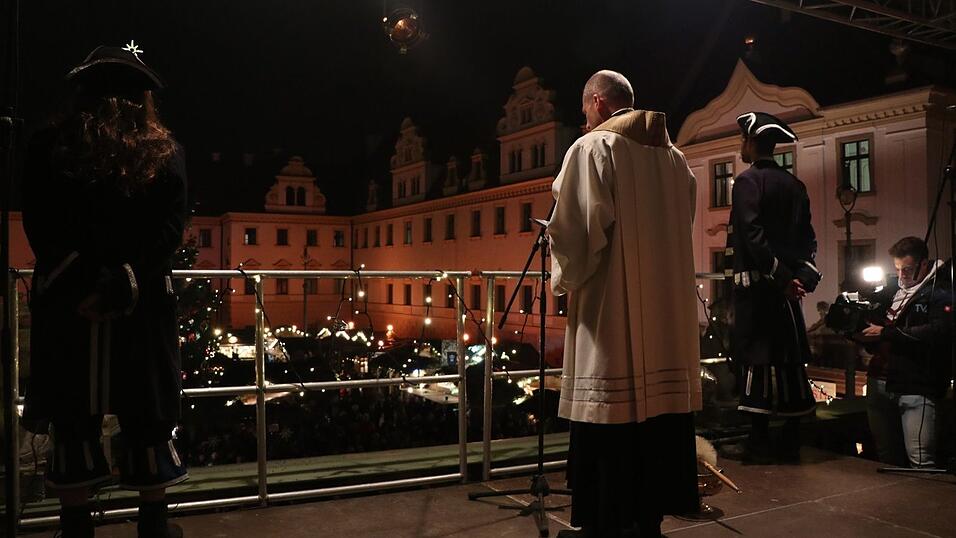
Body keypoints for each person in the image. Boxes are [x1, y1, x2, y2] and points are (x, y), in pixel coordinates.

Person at [21, 44, 188, 537]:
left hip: (70, 304)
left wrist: (81, 285)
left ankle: (76, 529)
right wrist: (124, 282)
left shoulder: (48, 144)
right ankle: (153, 528)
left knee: (74, 420)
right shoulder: (168, 151)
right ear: (144, 98)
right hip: (141, 304)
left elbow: (41, 226)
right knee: (147, 417)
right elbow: (169, 232)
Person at [548, 70, 701, 538]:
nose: (583, 121)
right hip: (668, 321)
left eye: (583, 112)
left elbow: (575, 234)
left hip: (610, 316)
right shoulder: (676, 160)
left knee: (610, 411)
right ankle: (647, 518)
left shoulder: (592, 149)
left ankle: (605, 521)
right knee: (656, 419)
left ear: (596, 103)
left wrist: (561, 277)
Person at [727, 111, 821, 463]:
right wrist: (802, 278)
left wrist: (781, 279)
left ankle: (758, 444)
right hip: (788, 291)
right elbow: (808, 239)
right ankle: (791, 440)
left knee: (756, 361)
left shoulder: (748, 182)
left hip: (760, 290)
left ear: (751, 142)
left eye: (742, 140)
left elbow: (752, 236)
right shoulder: (795, 185)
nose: (741, 146)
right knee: (789, 360)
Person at [861, 237, 952, 467]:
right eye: (898, 269)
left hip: (915, 383)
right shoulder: (893, 289)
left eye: (907, 270)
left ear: (924, 264)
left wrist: (886, 333)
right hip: (880, 379)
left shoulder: (940, 289)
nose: (901, 276)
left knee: (920, 460)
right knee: (886, 458)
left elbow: (938, 331)